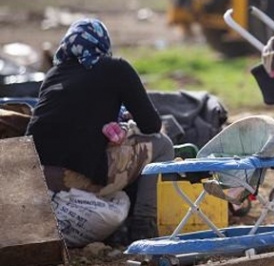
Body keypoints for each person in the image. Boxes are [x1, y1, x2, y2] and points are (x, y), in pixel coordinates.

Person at [26, 19, 174, 242]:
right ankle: (144, 227)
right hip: (74, 179)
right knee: (163, 145)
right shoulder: (116, 68)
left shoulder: (54, 75)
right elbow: (151, 125)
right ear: (102, 43)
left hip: (35, 179)